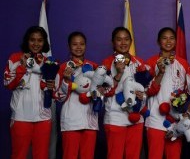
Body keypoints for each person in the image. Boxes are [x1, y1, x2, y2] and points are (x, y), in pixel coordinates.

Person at [4, 26, 53, 159]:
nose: (36, 44)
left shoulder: (49, 62)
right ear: (27, 41)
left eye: (40, 40)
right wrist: (22, 67)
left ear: (44, 43)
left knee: (41, 156)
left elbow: (54, 90)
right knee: (19, 155)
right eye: (32, 40)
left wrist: (52, 86)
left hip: (43, 117)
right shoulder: (15, 58)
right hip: (21, 116)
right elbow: (8, 84)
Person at [145, 27, 190, 159]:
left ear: (176, 41)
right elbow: (149, 91)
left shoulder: (183, 64)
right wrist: (160, 72)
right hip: (155, 119)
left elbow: (187, 93)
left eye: (171, 38)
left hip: (175, 121)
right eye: (164, 38)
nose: (168, 41)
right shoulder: (150, 62)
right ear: (159, 42)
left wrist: (183, 117)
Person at [101, 27, 146, 159]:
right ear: (113, 42)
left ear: (131, 41)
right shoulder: (106, 63)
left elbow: (146, 90)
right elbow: (104, 92)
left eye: (126, 39)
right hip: (115, 117)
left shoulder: (139, 63)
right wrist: (119, 73)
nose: (123, 42)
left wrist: (141, 95)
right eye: (119, 39)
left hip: (136, 118)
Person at [55, 31, 99, 159]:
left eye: (82, 44)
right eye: (75, 44)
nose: (78, 47)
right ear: (69, 46)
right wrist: (66, 81)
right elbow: (58, 97)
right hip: (71, 121)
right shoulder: (63, 68)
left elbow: (102, 94)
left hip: (90, 120)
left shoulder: (94, 67)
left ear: (86, 46)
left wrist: (98, 93)